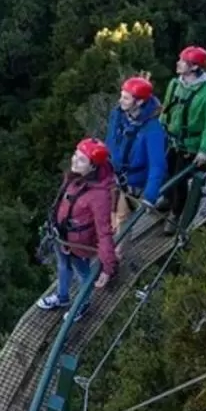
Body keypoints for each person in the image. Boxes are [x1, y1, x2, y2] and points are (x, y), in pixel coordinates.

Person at [36, 138, 118, 322]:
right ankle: (62, 296)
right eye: (75, 155)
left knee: (83, 275)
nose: (74, 160)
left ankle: (83, 303)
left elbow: (104, 232)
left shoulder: (100, 196)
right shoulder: (75, 177)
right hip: (62, 236)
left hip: (79, 245)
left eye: (81, 159)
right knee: (63, 266)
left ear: (93, 167)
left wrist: (107, 267)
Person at [159, 46, 206, 236]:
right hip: (172, 140)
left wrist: (204, 150)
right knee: (167, 171)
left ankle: (176, 213)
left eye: (182, 61)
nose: (178, 63)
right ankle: (168, 199)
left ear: (194, 67)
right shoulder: (175, 84)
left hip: (191, 146)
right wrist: (160, 127)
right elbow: (167, 108)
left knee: (180, 180)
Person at [105, 76, 167, 245]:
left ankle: (117, 259)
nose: (120, 100)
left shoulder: (153, 130)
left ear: (139, 102)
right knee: (108, 218)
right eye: (121, 95)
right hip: (113, 176)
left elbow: (157, 165)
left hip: (132, 183)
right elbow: (110, 140)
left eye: (125, 97)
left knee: (121, 222)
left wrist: (149, 196)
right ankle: (110, 255)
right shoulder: (118, 115)